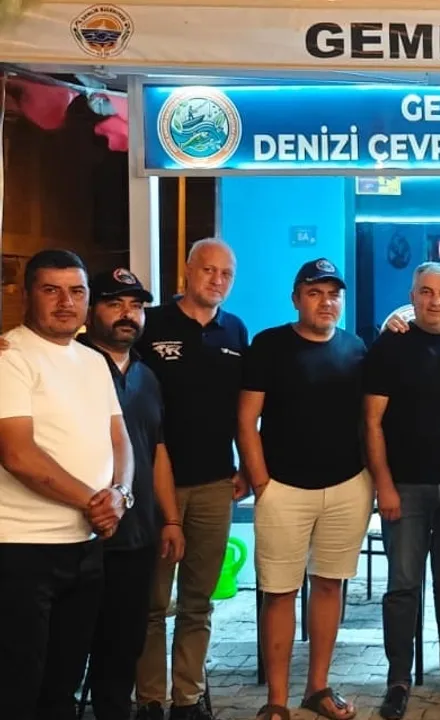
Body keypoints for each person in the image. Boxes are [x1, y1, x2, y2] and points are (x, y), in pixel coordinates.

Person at [236, 259, 372, 720]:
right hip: (283, 490)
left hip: (347, 486)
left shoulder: (355, 348)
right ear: (296, 298)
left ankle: (317, 688)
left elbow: (367, 420)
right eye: (315, 293)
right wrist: (261, 482)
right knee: (279, 592)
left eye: (333, 294)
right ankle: (276, 700)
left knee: (330, 585)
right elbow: (246, 420)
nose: (325, 302)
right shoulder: (269, 345)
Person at [0, 249, 131, 720]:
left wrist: (121, 495)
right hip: (21, 549)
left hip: (85, 546)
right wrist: (96, 502)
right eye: (51, 290)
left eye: (76, 291)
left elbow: (121, 439)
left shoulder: (93, 361)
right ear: (27, 296)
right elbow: (18, 455)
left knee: (63, 687)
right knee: (17, 689)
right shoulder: (10, 357)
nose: (65, 302)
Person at [365, 262, 440, 718]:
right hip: (406, 488)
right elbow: (372, 423)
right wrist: (383, 485)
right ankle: (398, 680)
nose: (435, 301)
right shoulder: (390, 345)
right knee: (402, 586)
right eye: (426, 292)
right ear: (412, 296)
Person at [136, 237, 248, 720]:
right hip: (154, 486)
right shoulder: (152, 324)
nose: (217, 280)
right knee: (152, 601)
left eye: (226, 273)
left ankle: (186, 698)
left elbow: (243, 408)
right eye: (208, 270)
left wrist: (245, 467)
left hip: (215, 483)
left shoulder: (235, 330)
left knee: (198, 600)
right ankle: (149, 699)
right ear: (187, 271)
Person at [81, 269, 184, 720]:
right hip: (81, 533)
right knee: (69, 647)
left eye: (136, 305)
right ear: (91, 310)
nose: (127, 314)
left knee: (123, 647)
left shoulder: (146, 375)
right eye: (115, 303)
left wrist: (171, 519)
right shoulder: (72, 365)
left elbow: (156, 451)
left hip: (137, 534)